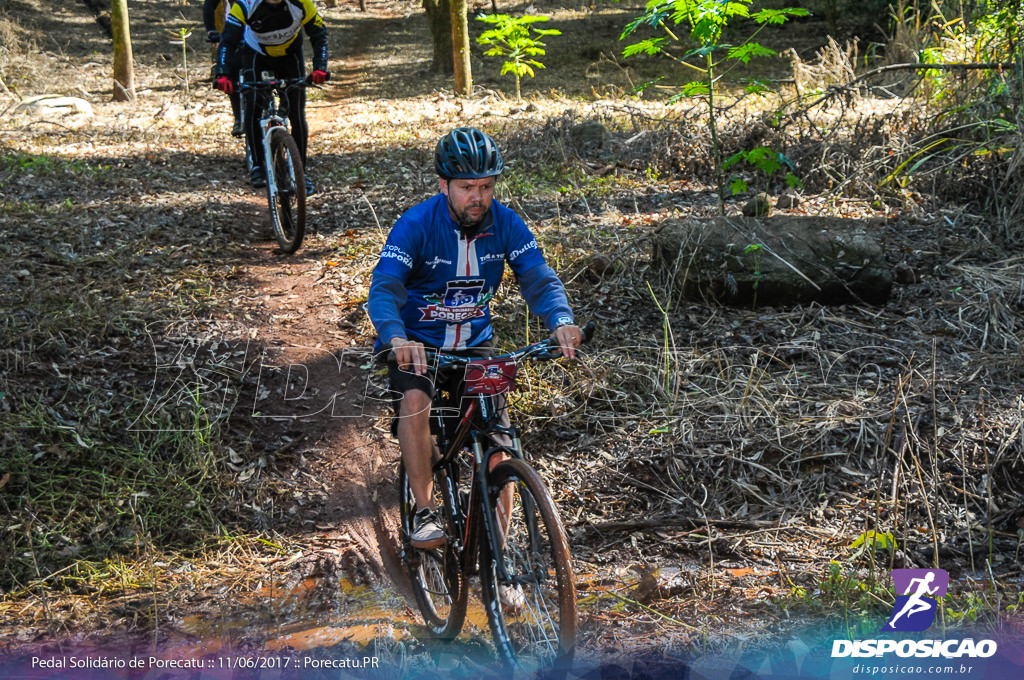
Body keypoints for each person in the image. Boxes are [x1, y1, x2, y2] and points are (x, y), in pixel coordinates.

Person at [367, 127, 583, 563]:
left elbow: (537, 276)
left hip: (475, 346)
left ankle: (498, 559)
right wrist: (396, 337)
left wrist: (561, 321)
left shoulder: (506, 223)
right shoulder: (416, 225)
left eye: (485, 187)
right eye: (467, 187)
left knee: (500, 445)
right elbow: (385, 286)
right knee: (415, 400)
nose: (477, 197)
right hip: (417, 344)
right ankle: (425, 511)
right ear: (444, 185)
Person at [214, 0, 328, 196]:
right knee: (254, 106)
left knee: (296, 113)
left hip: (290, 56)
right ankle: (258, 164)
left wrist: (320, 68)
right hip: (256, 55)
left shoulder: (301, 4)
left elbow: (319, 34)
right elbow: (228, 40)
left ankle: (301, 171)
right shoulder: (245, 4)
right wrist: (222, 73)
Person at [202, 0, 243, 137]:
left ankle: (279, 110)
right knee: (231, 70)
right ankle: (239, 118)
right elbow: (209, 5)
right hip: (234, 27)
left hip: (262, 27)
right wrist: (211, 31)